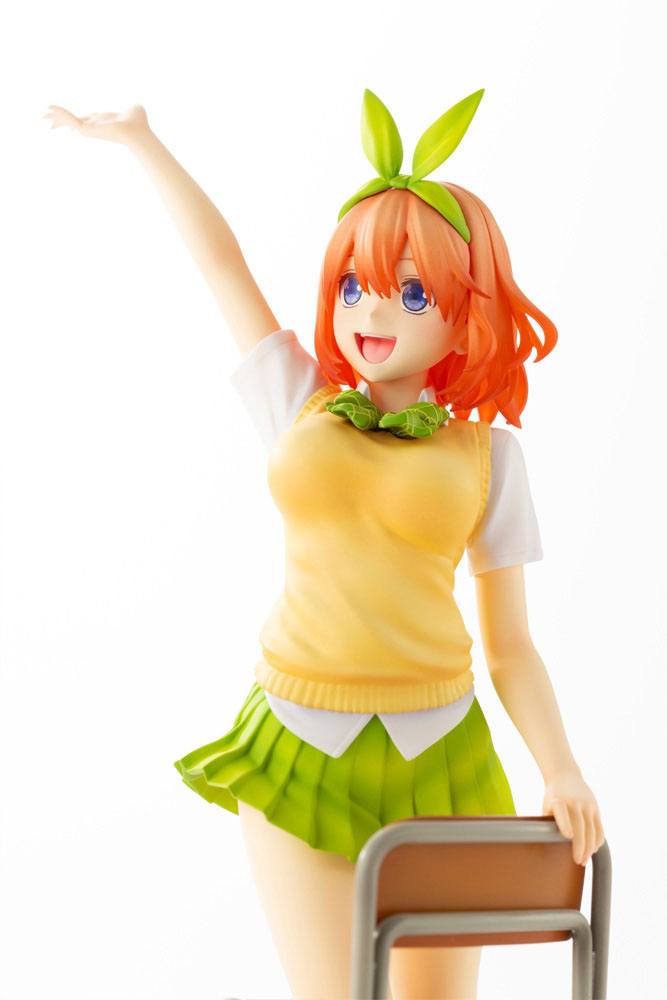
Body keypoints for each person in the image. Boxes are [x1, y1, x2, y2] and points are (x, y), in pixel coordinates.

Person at [44, 89, 605, 1000]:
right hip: (295, 742)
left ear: (461, 312)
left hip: (438, 754)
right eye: (352, 285)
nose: (371, 314)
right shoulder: (298, 403)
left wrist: (561, 767)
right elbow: (222, 264)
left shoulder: (488, 458)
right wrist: (144, 143)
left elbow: (510, 644)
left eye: (410, 292)